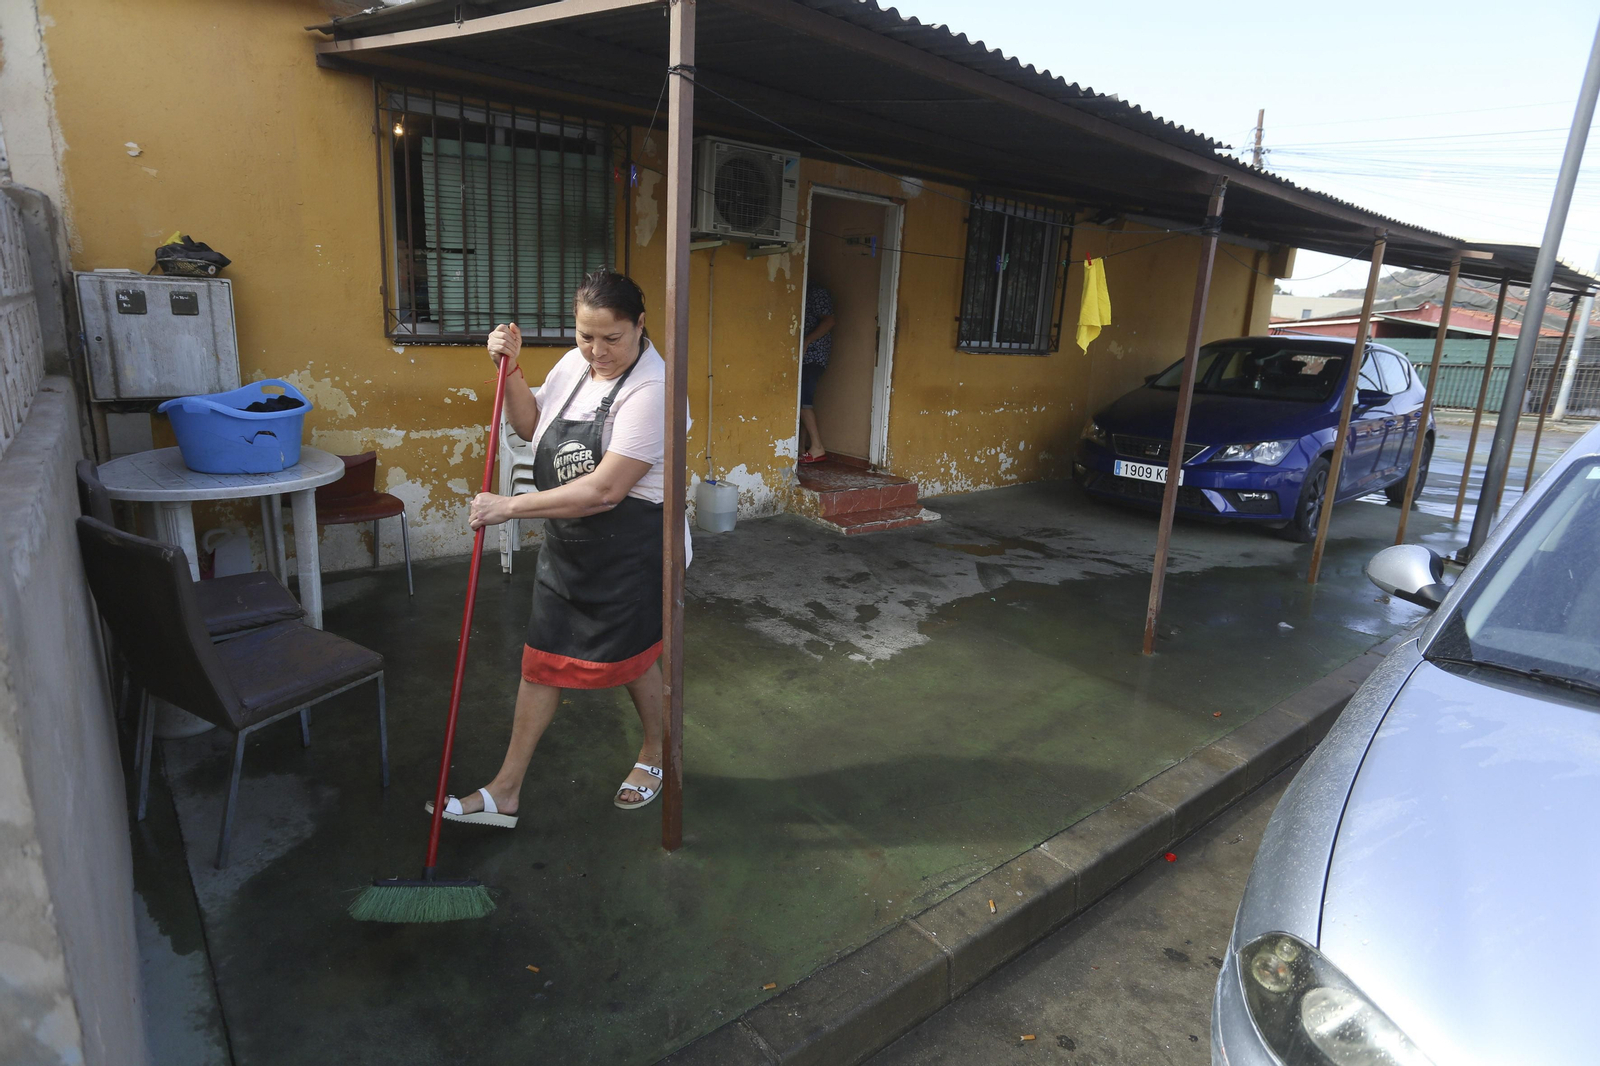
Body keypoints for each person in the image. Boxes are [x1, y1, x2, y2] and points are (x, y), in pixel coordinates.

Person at [426, 270, 683, 827]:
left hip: (632, 555)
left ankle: (656, 753)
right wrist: (511, 369)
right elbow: (529, 424)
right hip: (571, 550)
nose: (597, 351)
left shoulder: (655, 391)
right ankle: (506, 789)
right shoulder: (575, 365)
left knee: (635, 661)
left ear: (641, 325)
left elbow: (605, 489)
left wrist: (507, 507)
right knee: (540, 662)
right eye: (586, 335)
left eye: (612, 338)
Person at [798, 277, 835, 464]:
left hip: (813, 356)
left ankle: (817, 447)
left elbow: (829, 321)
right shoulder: (803, 292)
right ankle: (803, 448)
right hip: (805, 357)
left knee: (804, 401)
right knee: (802, 402)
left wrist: (807, 340)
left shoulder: (816, 291)